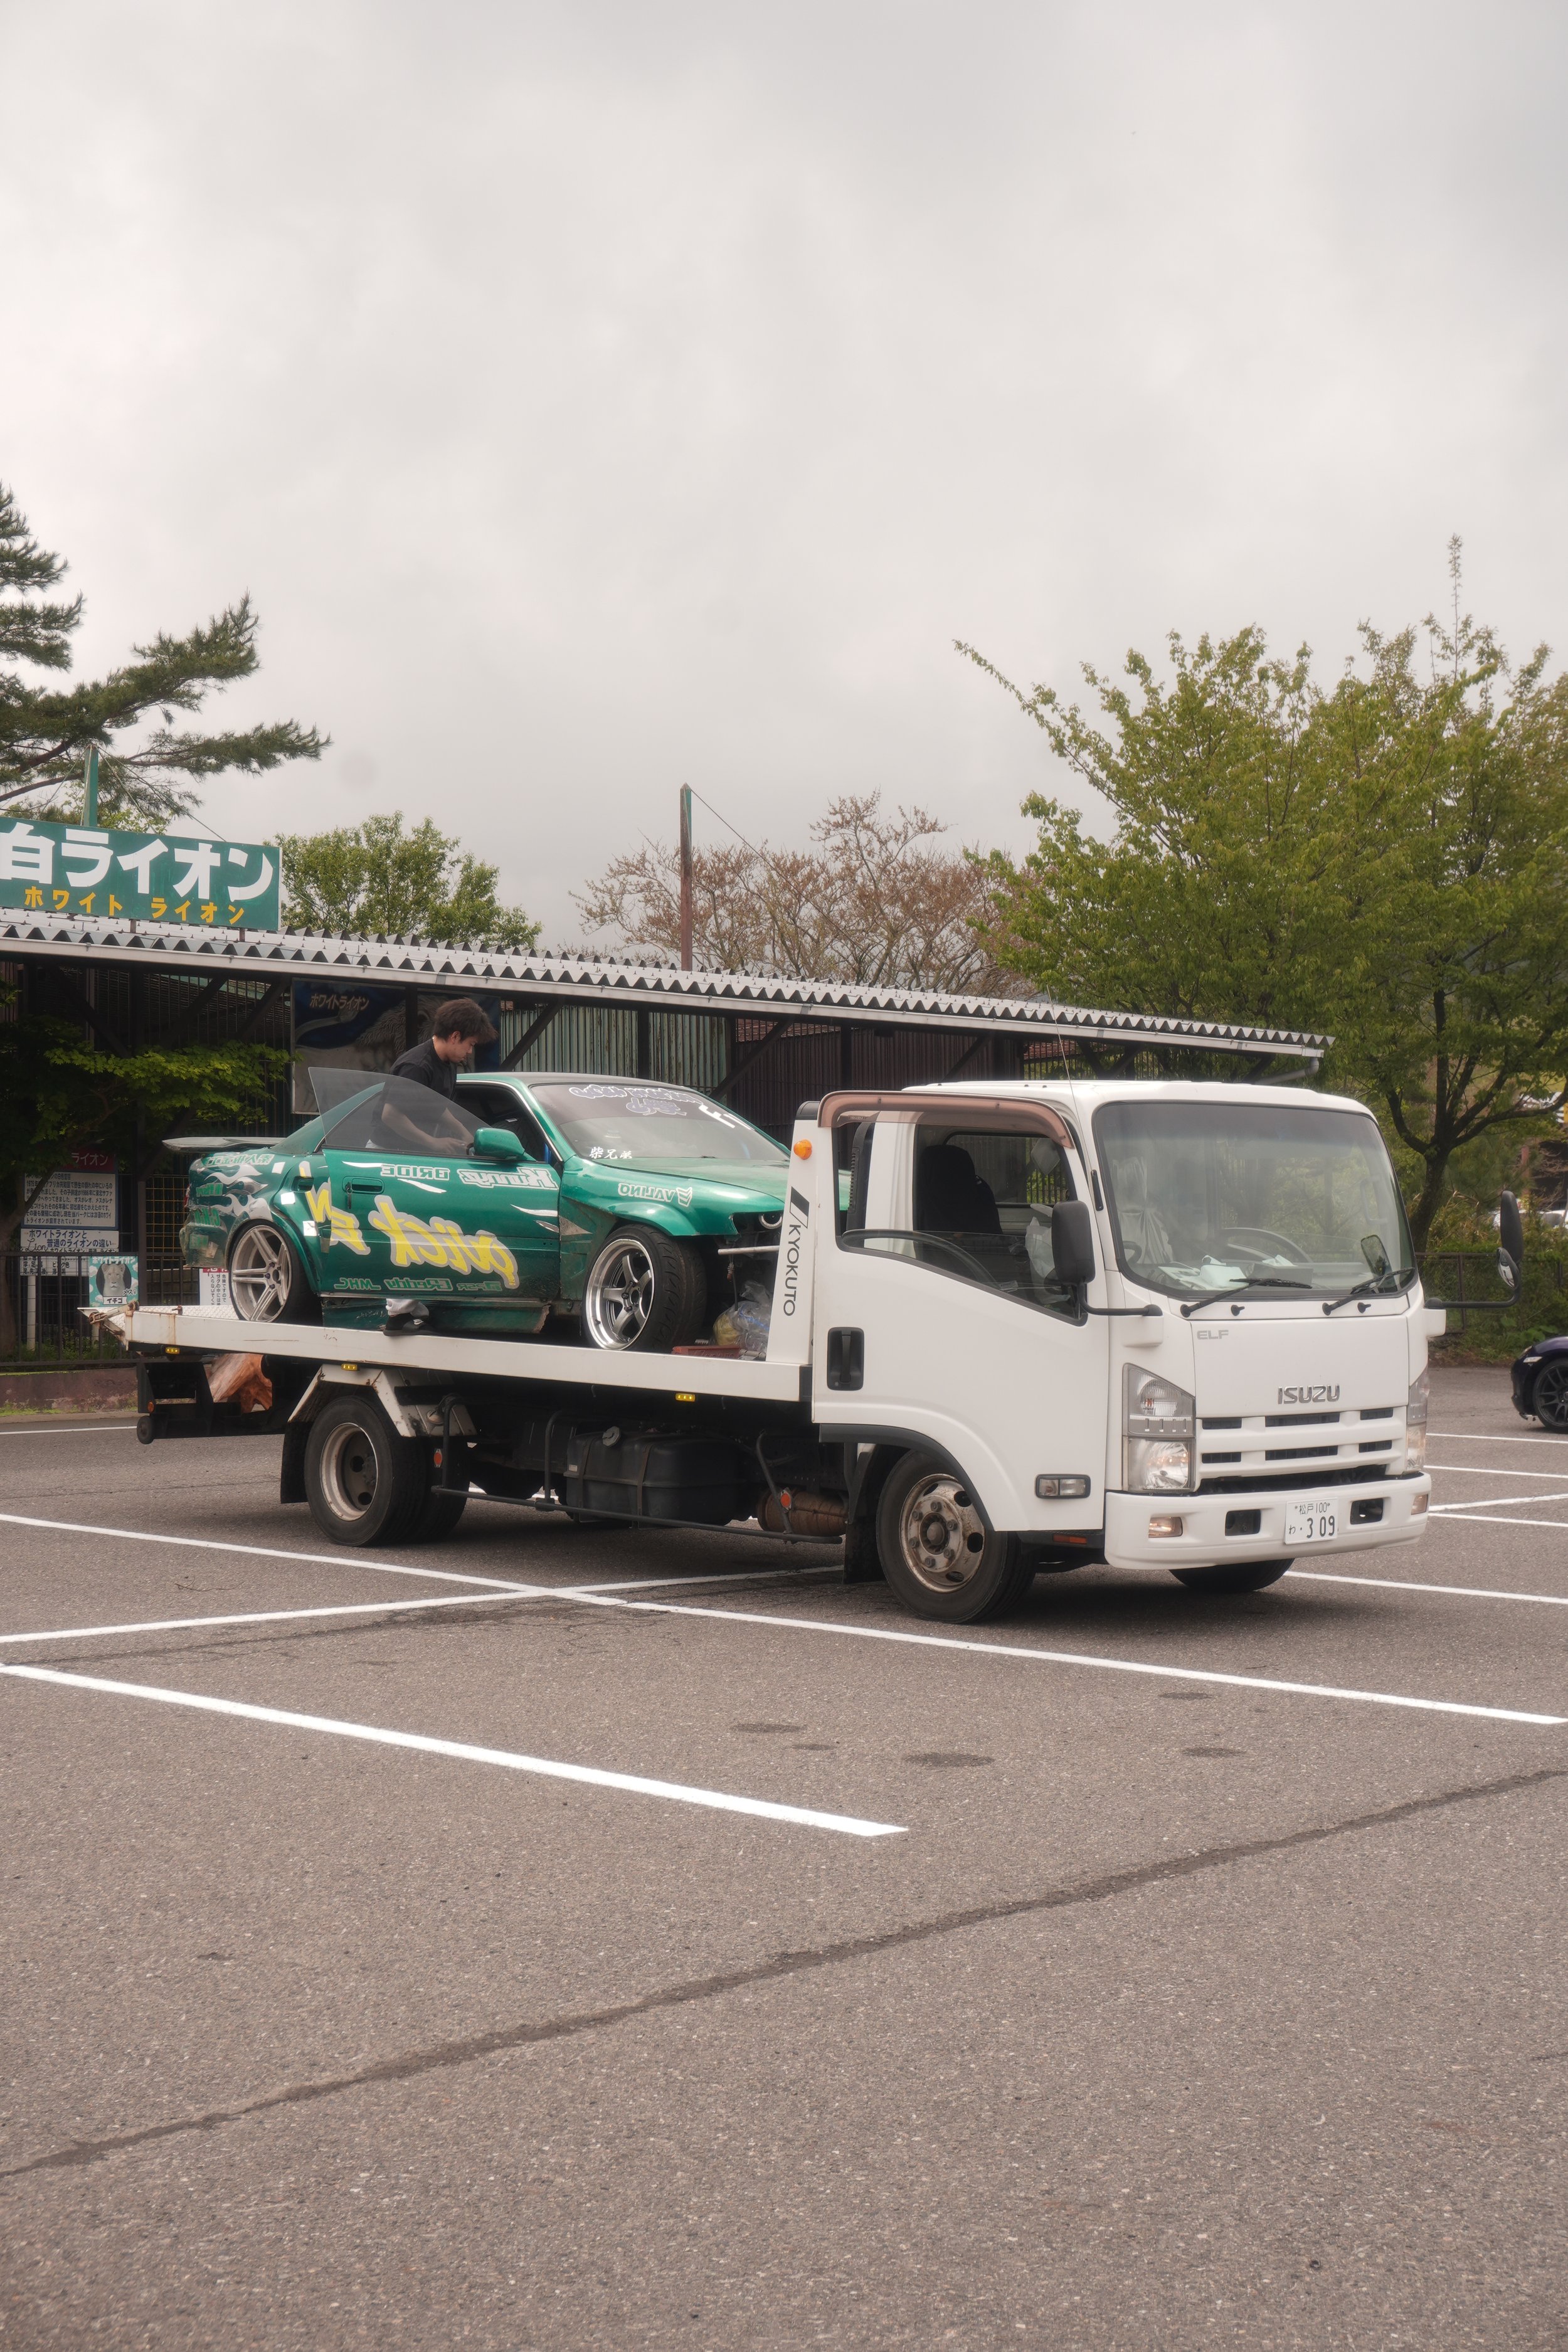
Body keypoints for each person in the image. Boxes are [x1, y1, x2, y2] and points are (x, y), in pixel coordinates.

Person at [382, 997, 497, 1150]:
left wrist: (464, 1133)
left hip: (414, 1152)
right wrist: (433, 1142)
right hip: (389, 1153)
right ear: (455, 1037)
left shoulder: (448, 1062)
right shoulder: (417, 1067)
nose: (470, 1051)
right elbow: (390, 1115)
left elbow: (436, 1106)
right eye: (471, 1044)